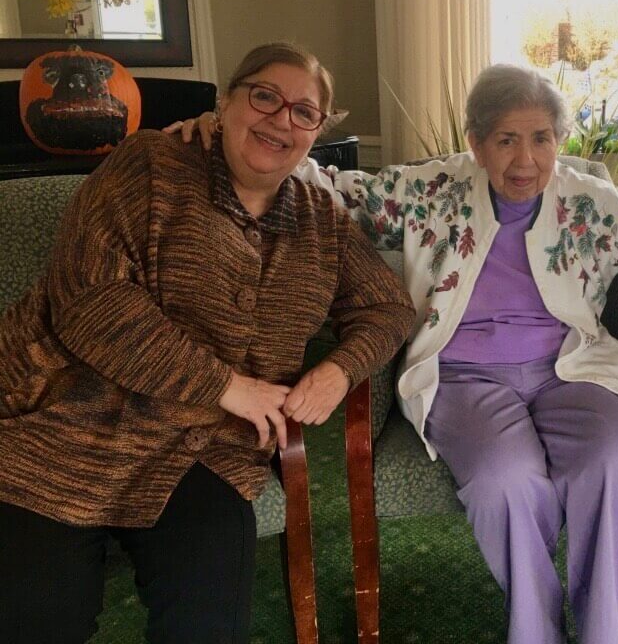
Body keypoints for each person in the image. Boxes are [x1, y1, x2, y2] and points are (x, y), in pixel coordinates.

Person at [173, 62, 618, 644]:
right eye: (505, 140)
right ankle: (537, 632)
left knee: (612, 471)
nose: (525, 160)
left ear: (559, 140)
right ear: (475, 143)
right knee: (506, 480)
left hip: (575, 368)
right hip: (463, 374)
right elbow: (324, 187)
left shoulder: (591, 201)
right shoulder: (431, 192)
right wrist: (224, 132)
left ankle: (604, 635)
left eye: (541, 138)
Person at [0, 42, 415, 643]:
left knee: (206, 624)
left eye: (304, 112)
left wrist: (336, 372)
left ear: (316, 132)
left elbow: (388, 306)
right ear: (226, 102)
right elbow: (89, 300)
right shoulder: (149, 164)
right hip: (65, 423)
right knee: (38, 619)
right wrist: (228, 386)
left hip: (202, 449)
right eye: (265, 96)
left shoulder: (323, 222)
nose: (281, 119)